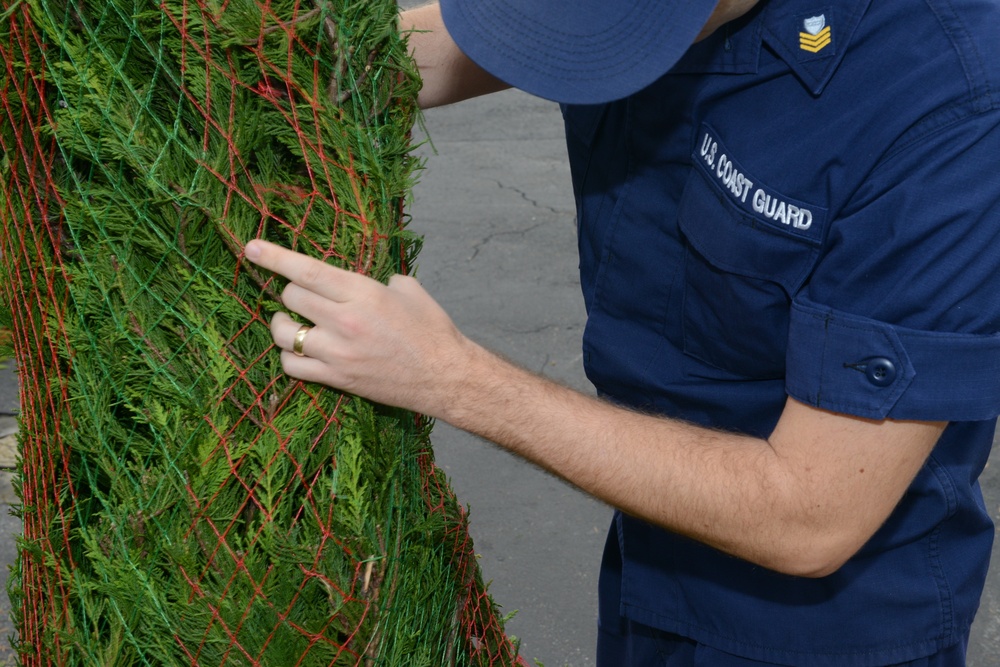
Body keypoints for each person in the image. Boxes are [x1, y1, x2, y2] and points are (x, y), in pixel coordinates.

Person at [243, 0, 1000, 664]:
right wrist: (294, 60)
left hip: (825, 627)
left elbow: (811, 513)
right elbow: (501, 33)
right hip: (655, 546)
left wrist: (448, 376)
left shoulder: (939, 100)